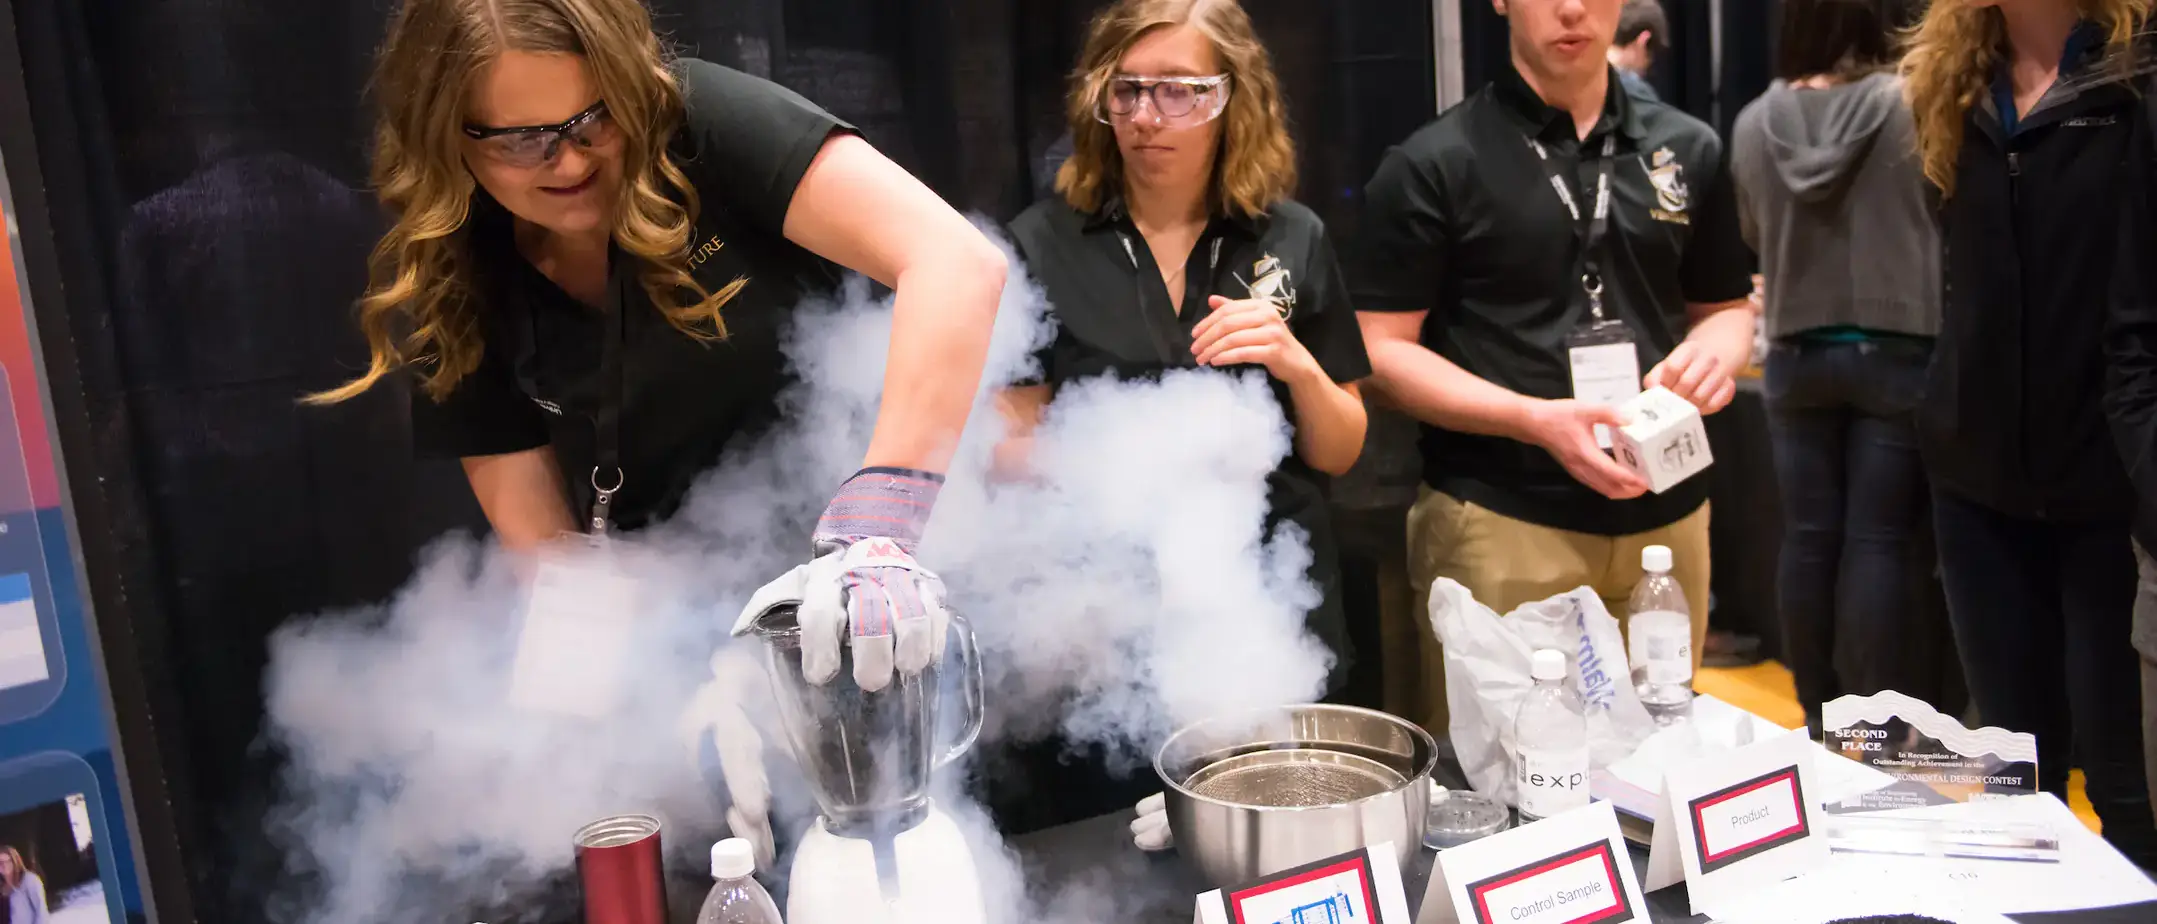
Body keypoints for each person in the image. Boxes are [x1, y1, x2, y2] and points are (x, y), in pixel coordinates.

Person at [989, 0, 1370, 831]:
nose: (1144, 117)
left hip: (1271, 619)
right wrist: (1139, 458)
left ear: (1234, 99)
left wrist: (1295, 363)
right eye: (1125, 91)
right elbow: (1004, 448)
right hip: (1103, 631)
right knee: (1112, 854)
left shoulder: (1289, 236)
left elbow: (1340, 449)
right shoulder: (1042, 241)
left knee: (1276, 840)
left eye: (1178, 92)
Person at [1354, 0, 1756, 735]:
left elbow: (1726, 309)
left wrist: (1711, 357)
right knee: (1505, 775)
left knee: (1658, 762)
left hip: (1667, 517)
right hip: (1503, 516)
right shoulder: (1435, 161)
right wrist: (1531, 420)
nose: (1571, 8)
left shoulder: (1686, 147)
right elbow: (1378, 352)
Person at [1904, 0, 2157, 864]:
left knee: (2128, 788)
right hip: (1977, 486)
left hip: (2113, 492)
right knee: (2015, 783)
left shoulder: (2136, 75)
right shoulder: (1949, 80)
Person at [1729, 0, 1938, 730]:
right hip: (1898, 346)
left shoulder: (1754, 122)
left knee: (1809, 537)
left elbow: (1751, 230)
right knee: (1879, 539)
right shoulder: (1912, 104)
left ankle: (1817, 715)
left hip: (1793, 352)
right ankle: (1877, 726)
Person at [1609, 0, 1668, 103]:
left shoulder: (1586, 78)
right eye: (1650, 56)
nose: (1647, 66)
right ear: (1644, 40)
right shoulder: (1638, 94)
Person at [0, 847, 46, 924]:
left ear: (15, 861)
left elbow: (41, 911)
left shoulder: (29, 880)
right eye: (0, 862)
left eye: (8, 861)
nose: (4, 865)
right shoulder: (2, 888)